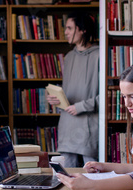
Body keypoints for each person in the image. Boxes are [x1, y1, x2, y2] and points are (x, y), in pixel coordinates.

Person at [46, 12, 99, 167]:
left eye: (69, 28)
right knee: (66, 176)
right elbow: (68, 90)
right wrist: (57, 99)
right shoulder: (68, 57)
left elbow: (108, 95)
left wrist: (80, 107)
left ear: (82, 29)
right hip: (67, 126)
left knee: (92, 174)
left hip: (89, 126)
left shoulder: (99, 56)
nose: (66, 32)